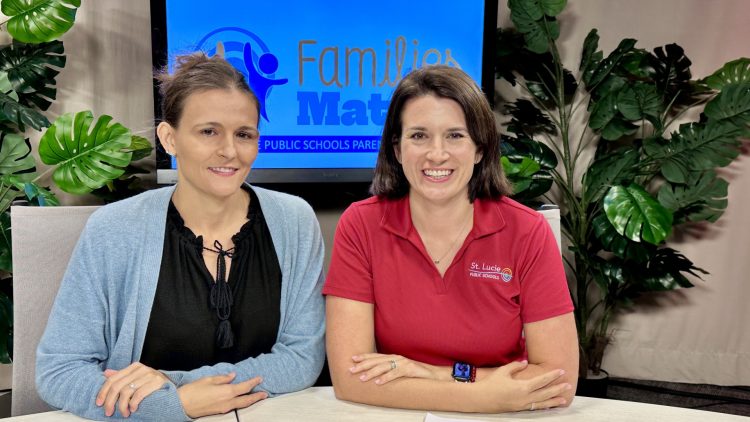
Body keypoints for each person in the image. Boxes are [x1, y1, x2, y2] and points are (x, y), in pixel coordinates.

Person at [36, 52, 326, 421]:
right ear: (169, 139)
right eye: (208, 131)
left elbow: (303, 358)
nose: (229, 151)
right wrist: (173, 405)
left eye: (244, 134)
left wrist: (172, 384)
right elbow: (59, 372)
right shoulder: (113, 228)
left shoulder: (294, 220)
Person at [323, 65, 578, 413]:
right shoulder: (360, 224)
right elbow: (350, 378)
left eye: (455, 135)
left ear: (479, 149)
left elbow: (558, 380)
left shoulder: (527, 231)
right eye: (419, 136)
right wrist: (483, 395)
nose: (437, 154)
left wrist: (434, 373)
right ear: (397, 150)